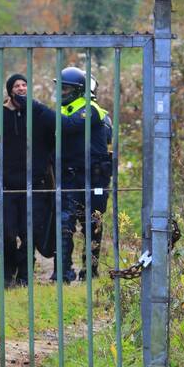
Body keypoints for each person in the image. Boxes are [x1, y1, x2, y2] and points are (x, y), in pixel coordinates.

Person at [0, 73, 56, 287]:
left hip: (35, 183)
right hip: (9, 184)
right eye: (17, 85)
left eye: (24, 85)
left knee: (30, 232)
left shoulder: (37, 113)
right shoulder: (0, 115)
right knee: (6, 230)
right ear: (10, 90)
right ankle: (9, 271)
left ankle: (24, 277)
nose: (21, 88)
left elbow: (54, 129)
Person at [55, 66, 112, 283]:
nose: (62, 93)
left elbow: (69, 126)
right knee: (65, 224)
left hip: (94, 177)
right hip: (70, 176)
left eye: (66, 89)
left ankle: (91, 269)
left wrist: (40, 112)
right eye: (60, 89)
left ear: (78, 90)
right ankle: (63, 272)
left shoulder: (93, 110)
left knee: (92, 224)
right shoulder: (64, 110)